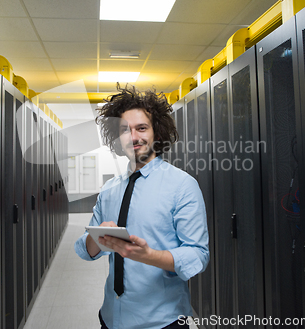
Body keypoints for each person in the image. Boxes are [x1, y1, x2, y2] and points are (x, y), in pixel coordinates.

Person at [74, 84, 209, 329]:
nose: (133, 137)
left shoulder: (182, 186)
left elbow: (198, 255)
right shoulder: (109, 190)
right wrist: (97, 237)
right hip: (110, 317)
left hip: (161, 321)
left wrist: (151, 257)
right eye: (125, 130)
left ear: (157, 133)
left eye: (141, 128)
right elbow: (85, 250)